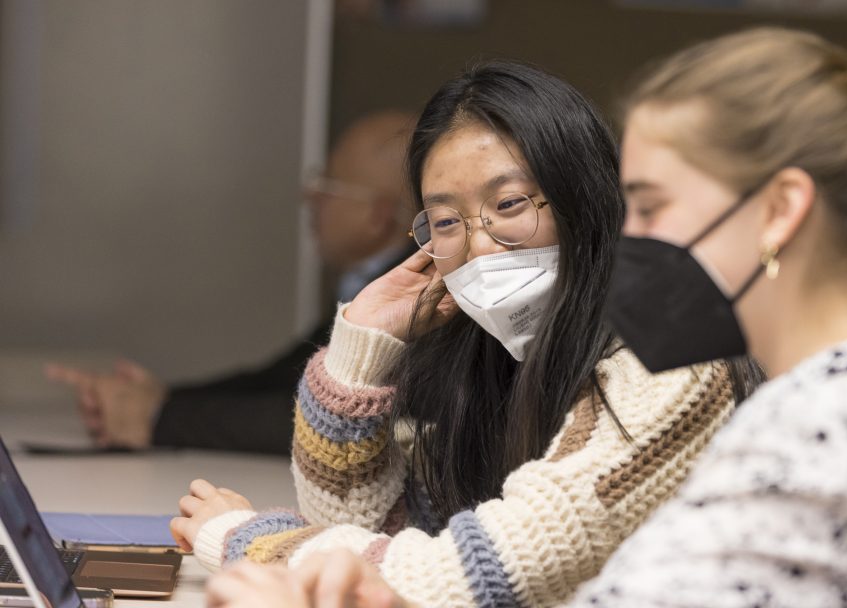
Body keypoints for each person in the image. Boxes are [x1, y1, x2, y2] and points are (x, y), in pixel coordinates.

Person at [203, 27, 847, 608]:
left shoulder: (830, 425)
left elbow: (480, 581)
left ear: (778, 212)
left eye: (646, 204)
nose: (626, 234)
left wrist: (261, 547)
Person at [171, 59, 763, 607]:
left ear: (587, 201)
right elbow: (380, 530)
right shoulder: (498, 359)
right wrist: (359, 352)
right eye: (448, 221)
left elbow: (455, 579)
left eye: (508, 204)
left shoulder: (672, 364)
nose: (479, 247)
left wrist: (247, 540)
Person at [43, 111, 417, 454]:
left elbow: (323, 419)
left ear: (378, 215)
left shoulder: (412, 302)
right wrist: (155, 400)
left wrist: (158, 418)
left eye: (328, 186)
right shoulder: (367, 283)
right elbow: (283, 379)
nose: (311, 197)